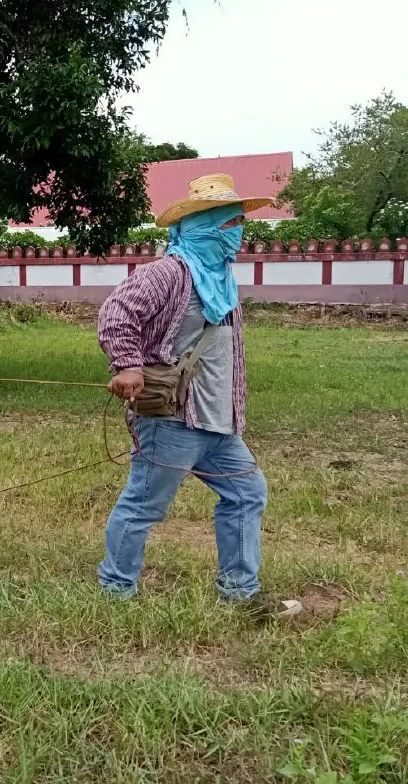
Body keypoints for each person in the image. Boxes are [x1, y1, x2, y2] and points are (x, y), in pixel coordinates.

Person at [96, 173, 302, 619]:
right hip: (173, 418)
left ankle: (240, 594)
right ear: (204, 227)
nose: (238, 235)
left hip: (219, 423)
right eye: (229, 225)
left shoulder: (221, 280)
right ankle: (115, 591)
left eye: (239, 225)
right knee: (144, 505)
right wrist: (127, 363)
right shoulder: (169, 272)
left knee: (247, 494)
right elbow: (117, 313)